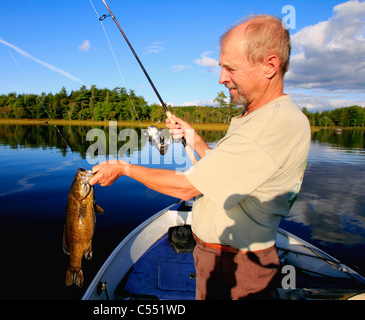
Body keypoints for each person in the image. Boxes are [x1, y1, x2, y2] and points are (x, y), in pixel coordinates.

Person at [88, 14, 311, 300]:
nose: (221, 78)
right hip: (223, 257)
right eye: (221, 68)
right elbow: (222, 174)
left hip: (237, 267)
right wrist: (193, 138)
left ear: (269, 66)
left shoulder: (273, 124)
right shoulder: (258, 118)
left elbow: (188, 187)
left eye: (230, 68)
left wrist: (124, 168)